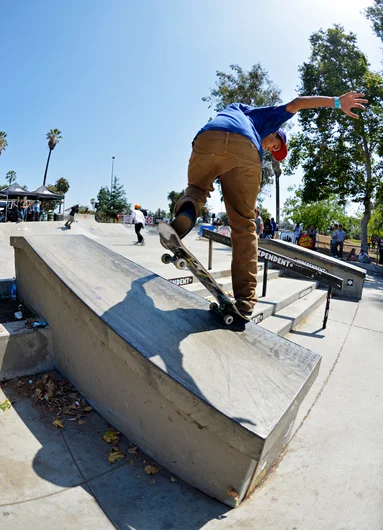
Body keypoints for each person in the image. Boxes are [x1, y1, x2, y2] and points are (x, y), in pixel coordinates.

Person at [170, 91, 367, 318]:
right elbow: (298, 103)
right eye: (274, 145)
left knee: (196, 189)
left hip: (209, 137)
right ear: (274, 132)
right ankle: (245, 300)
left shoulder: (233, 112)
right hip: (244, 149)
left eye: (273, 151)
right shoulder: (267, 118)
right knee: (244, 226)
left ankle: (187, 210)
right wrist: (336, 102)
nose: (270, 149)